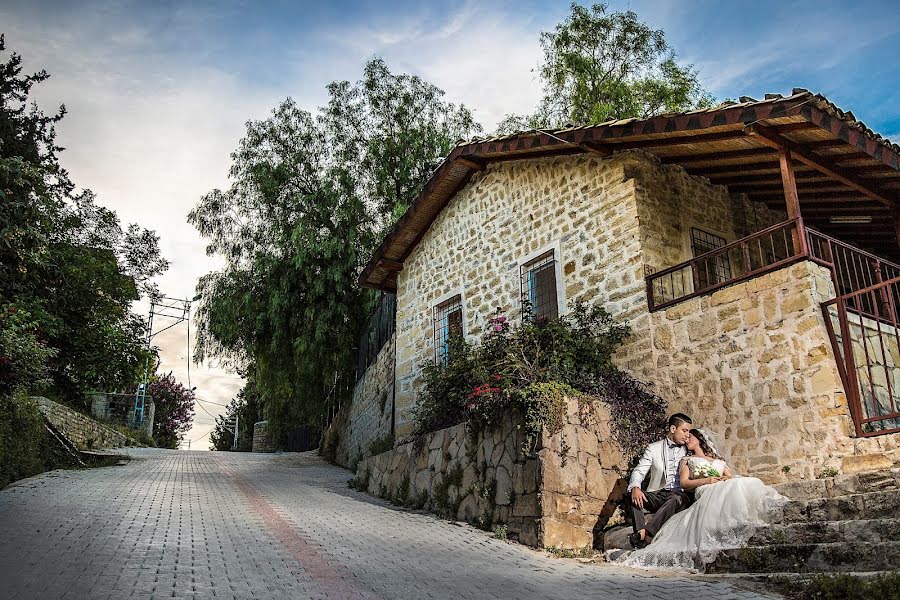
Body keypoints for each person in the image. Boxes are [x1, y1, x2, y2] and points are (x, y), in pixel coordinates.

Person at [620, 428, 787, 572]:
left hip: (716, 486)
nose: (686, 440)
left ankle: (743, 519)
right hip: (700, 489)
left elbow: (729, 476)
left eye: (689, 436)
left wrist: (722, 479)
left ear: (699, 439)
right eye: (684, 434)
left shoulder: (717, 460)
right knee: (635, 495)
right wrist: (707, 480)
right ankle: (643, 535)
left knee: (743, 483)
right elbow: (685, 483)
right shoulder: (686, 459)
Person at [625, 413, 694, 549]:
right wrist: (635, 487)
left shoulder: (689, 449)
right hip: (658, 494)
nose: (687, 435)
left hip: (681, 496)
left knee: (675, 498)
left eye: (689, 432)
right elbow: (639, 471)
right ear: (673, 429)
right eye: (684, 431)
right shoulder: (653, 448)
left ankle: (644, 535)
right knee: (633, 495)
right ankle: (640, 533)